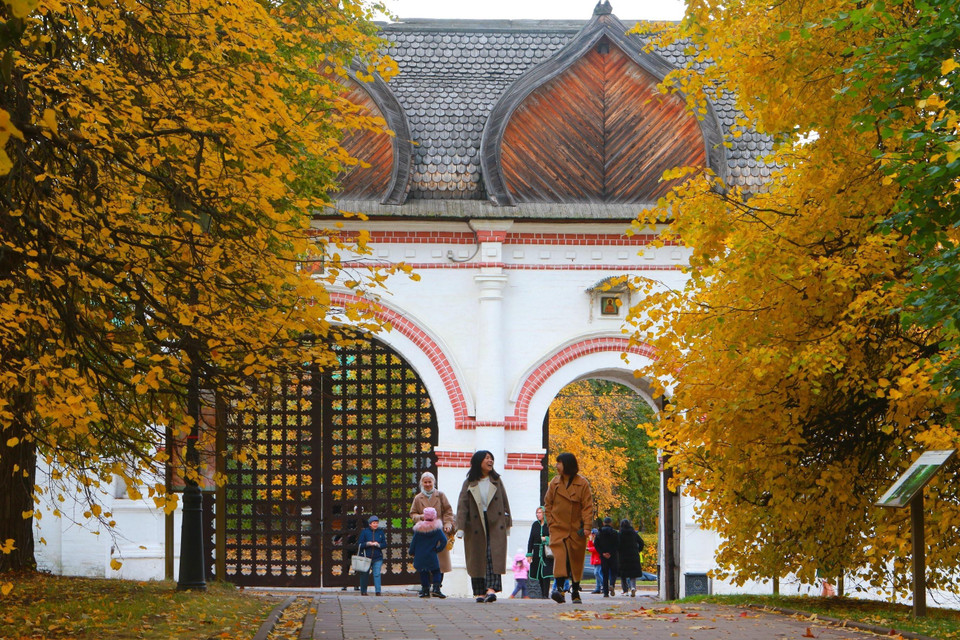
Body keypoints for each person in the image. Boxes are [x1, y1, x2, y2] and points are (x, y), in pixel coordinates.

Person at [456, 450, 513, 603]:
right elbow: (462, 506)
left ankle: (491, 589)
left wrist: (507, 522)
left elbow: (505, 502)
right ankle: (480, 592)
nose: (490, 461)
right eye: (487, 458)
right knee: (477, 557)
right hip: (475, 525)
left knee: (492, 555)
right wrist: (460, 527)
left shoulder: (496, 480)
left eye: (491, 458)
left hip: (494, 523)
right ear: (478, 461)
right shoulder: (469, 482)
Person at [544, 452, 595, 604]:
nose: (556, 466)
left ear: (567, 464)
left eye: (559, 463)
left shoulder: (582, 483)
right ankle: (559, 589)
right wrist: (551, 523)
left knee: (576, 560)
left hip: (576, 529)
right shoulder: (554, 483)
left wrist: (586, 527)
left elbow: (587, 507)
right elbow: (548, 504)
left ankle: (576, 591)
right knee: (560, 558)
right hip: (558, 528)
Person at [409, 471, 456, 587]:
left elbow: (448, 511)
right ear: (422, 483)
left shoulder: (440, 495)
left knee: (441, 561)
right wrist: (421, 517)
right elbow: (412, 514)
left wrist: (448, 523)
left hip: (438, 531)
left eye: (430, 482)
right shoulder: (418, 498)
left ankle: (437, 586)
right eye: (425, 482)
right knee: (425, 561)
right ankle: (426, 586)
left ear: (433, 482)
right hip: (424, 533)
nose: (428, 484)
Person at [409, 507, 448, 598]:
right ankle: (436, 588)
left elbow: (414, 542)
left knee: (423, 571)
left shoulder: (419, 529)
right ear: (434, 516)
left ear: (424, 516)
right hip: (431, 554)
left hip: (420, 554)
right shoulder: (437, 529)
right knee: (436, 571)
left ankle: (425, 590)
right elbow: (444, 540)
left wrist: (411, 551)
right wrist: (438, 549)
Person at [526, 505, 554, 598]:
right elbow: (531, 540)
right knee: (539, 574)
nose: (538, 515)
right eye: (537, 513)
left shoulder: (549, 524)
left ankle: (546, 594)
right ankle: (542, 593)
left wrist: (546, 539)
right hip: (537, 552)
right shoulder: (535, 525)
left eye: (540, 512)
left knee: (546, 573)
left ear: (544, 514)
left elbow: (554, 537)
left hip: (546, 552)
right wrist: (529, 554)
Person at [356, 514, 386, 596]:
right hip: (366, 557)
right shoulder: (365, 532)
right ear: (370, 524)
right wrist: (367, 544)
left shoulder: (380, 532)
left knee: (377, 574)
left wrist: (378, 545)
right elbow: (360, 544)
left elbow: (384, 544)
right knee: (364, 574)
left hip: (377, 557)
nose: (375, 524)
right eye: (374, 523)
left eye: (376, 523)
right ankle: (364, 591)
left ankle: (378, 591)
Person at [617, 518, 645, 597]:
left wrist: (618, 552)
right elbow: (641, 542)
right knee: (633, 573)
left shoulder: (620, 534)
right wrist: (638, 550)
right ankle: (633, 587)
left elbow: (617, 544)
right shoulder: (634, 533)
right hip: (633, 555)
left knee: (623, 574)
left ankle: (625, 590)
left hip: (623, 556)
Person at [594, 517, 619, 597]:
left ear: (604, 523)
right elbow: (617, 544)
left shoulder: (599, 533)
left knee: (605, 574)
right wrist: (611, 553)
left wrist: (603, 553)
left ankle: (605, 592)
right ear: (611, 523)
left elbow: (596, 544)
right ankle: (612, 584)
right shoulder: (615, 532)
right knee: (614, 572)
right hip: (613, 556)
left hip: (603, 556)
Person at [587, 528, 602, 594]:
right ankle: (598, 587)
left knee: (597, 572)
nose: (592, 535)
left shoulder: (599, 540)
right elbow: (589, 546)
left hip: (598, 558)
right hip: (595, 558)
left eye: (593, 534)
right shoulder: (594, 540)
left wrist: (589, 549)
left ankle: (604, 585)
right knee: (597, 574)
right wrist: (590, 540)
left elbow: (597, 548)